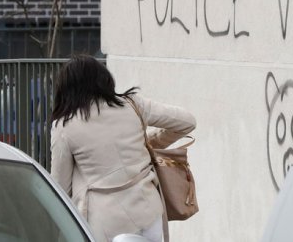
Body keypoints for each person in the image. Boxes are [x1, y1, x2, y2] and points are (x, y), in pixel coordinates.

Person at [50, 54, 196, 242]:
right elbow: (187, 122)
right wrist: (150, 143)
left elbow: (60, 188)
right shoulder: (133, 105)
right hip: (148, 214)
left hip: (103, 224)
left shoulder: (64, 126)